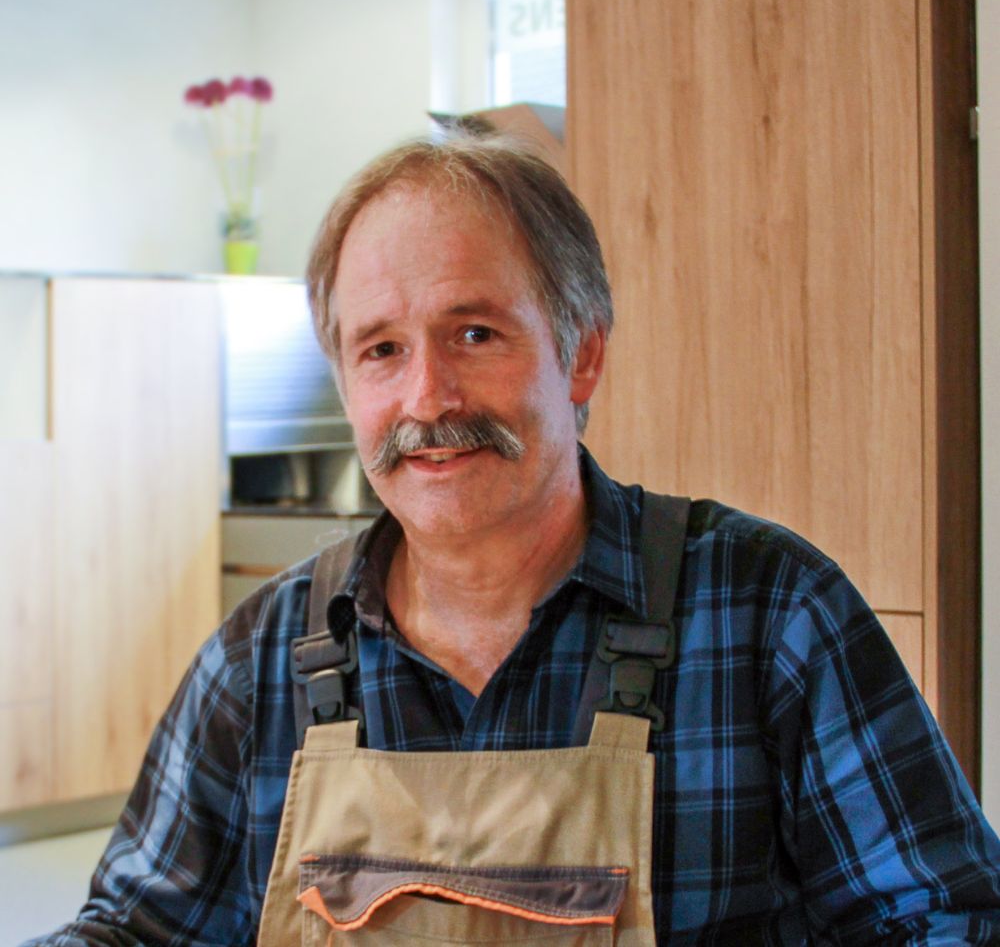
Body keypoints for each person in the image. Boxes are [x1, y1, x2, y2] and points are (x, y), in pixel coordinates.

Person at [26, 135, 1000, 946]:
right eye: (381, 350)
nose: (427, 400)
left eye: (475, 334)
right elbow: (132, 931)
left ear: (583, 353)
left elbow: (943, 921)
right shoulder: (258, 662)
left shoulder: (768, 613)